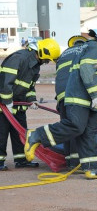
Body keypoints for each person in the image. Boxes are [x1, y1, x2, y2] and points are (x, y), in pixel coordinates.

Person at [24, 29, 97, 179]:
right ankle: (36, 135)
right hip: (81, 97)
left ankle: (92, 168)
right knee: (76, 126)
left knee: (88, 133)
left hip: (78, 98)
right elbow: (86, 69)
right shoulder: (95, 47)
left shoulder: (72, 52)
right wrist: (95, 95)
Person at [0, 38, 61, 171]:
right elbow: (5, 83)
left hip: (18, 105)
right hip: (4, 105)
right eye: (47, 59)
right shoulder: (19, 58)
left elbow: (29, 86)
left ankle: (21, 160)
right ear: (43, 53)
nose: (46, 62)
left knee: (20, 133)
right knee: (1, 133)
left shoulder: (35, 65)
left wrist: (32, 99)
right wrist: (7, 102)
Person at [56, 35, 88, 171]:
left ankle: (70, 161)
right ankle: (77, 163)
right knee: (77, 127)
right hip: (75, 93)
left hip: (62, 95)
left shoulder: (63, 54)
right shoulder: (85, 50)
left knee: (67, 127)